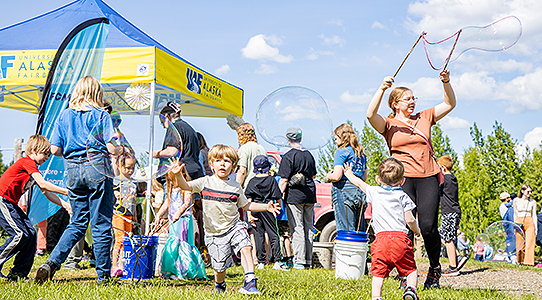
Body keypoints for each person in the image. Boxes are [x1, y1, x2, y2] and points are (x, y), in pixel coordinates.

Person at [366, 70, 456, 288]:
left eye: (414, 98)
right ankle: (407, 273)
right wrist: (381, 88)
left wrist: (446, 82)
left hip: (427, 177)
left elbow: (449, 103)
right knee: (402, 229)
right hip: (401, 181)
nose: (413, 101)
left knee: (427, 227)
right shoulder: (388, 124)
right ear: (396, 104)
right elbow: (370, 115)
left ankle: (434, 269)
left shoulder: (425, 117)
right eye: (408, 98)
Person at [36, 76, 118, 284]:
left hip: (72, 170)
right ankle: (103, 278)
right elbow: (111, 147)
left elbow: (54, 150)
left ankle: (51, 263)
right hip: (97, 167)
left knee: (78, 222)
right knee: (100, 224)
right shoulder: (101, 115)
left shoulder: (64, 115)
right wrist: (119, 150)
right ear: (96, 93)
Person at [171, 144, 280, 294]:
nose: (222, 164)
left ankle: (250, 281)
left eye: (227, 161)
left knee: (246, 246)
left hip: (234, 226)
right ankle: (220, 284)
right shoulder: (205, 182)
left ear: (233, 166)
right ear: (211, 164)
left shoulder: (235, 186)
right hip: (214, 233)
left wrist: (265, 207)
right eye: (218, 160)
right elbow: (185, 186)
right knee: (219, 268)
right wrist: (178, 175)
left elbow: (246, 205)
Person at [344, 158, 420, 300]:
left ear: (378, 179)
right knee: (410, 270)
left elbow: (360, 184)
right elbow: (409, 219)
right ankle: (411, 289)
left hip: (380, 240)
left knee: (378, 274)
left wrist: (348, 173)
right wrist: (416, 231)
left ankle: (376, 297)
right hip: (400, 240)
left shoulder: (374, 191)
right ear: (402, 181)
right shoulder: (403, 196)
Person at [0, 135, 70, 281]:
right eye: (45, 154)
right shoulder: (27, 162)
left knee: (30, 234)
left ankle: (19, 273)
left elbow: (47, 193)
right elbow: (44, 184)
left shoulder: (32, 168)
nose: (47, 158)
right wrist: (66, 191)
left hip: (10, 203)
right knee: (19, 234)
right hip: (2, 200)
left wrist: (66, 205)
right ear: (34, 150)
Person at [155, 168, 207, 280]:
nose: (171, 183)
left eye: (172, 180)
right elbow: (167, 203)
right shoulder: (172, 189)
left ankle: (183, 270)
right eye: (169, 180)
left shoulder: (186, 188)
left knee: (182, 244)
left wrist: (178, 213)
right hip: (174, 221)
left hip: (183, 220)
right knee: (173, 244)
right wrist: (159, 214)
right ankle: (173, 269)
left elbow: (187, 203)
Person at [278, 127, 317, 270]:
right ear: (300, 138)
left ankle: (299, 261)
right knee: (308, 227)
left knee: (297, 228)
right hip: (310, 194)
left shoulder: (288, 156)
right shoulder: (309, 155)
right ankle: (308, 261)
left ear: (287, 139)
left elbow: (283, 180)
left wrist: (276, 196)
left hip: (294, 196)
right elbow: (313, 176)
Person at [245, 155, 288, 271]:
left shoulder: (252, 181)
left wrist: (249, 214)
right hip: (269, 209)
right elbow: (277, 196)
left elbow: (249, 199)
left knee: (258, 236)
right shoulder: (271, 180)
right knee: (273, 234)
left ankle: (261, 262)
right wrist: (278, 209)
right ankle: (277, 261)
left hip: (255, 210)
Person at [326, 123, 367, 232]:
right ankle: (359, 249)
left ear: (342, 138)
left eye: (336, 138)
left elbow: (337, 176)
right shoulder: (361, 153)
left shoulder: (341, 152)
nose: (335, 141)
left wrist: (329, 176)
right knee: (359, 229)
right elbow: (364, 177)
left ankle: (347, 249)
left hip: (344, 191)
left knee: (346, 230)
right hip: (359, 191)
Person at [154, 101, 204, 181]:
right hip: (194, 173)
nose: (163, 126)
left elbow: (172, 151)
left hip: (181, 175)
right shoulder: (188, 128)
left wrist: (157, 154)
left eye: (162, 122)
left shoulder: (174, 128)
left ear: (167, 117)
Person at [111, 155, 138, 277]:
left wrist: (135, 216)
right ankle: (114, 265)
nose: (130, 170)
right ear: (120, 166)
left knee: (127, 240)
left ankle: (123, 265)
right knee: (119, 240)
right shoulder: (116, 180)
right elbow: (111, 191)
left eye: (132, 168)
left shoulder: (134, 182)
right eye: (127, 168)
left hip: (129, 215)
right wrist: (115, 192)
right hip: (119, 214)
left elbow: (134, 200)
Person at [437, 155, 463, 276]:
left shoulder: (444, 180)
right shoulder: (453, 178)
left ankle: (453, 267)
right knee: (442, 235)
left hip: (449, 212)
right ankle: (457, 257)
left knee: (448, 240)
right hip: (455, 211)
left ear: (442, 168)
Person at [235, 123, 267, 189]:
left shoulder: (244, 148)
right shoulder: (261, 148)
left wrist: (236, 188)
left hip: (249, 187)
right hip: (262, 186)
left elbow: (242, 171)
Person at [514, 184, 537, 266]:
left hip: (529, 221)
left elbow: (534, 215)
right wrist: (514, 224)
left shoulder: (533, 202)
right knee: (519, 242)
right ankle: (520, 261)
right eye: (528, 191)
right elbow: (515, 213)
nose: (529, 193)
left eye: (530, 191)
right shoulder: (516, 200)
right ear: (522, 191)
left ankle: (529, 262)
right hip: (519, 220)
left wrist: (536, 228)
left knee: (530, 242)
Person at [499, 192, 516, 262]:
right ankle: (512, 257)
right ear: (506, 198)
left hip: (507, 225)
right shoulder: (506, 206)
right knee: (512, 241)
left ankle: (511, 257)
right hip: (509, 224)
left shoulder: (501, 206)